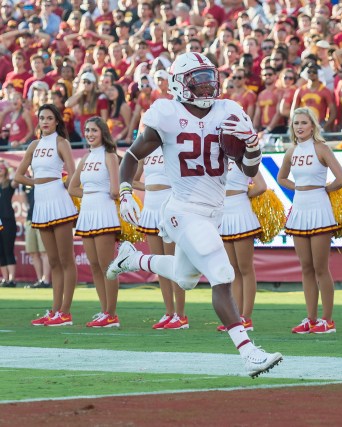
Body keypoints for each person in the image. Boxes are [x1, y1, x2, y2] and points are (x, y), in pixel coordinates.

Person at [104, 52, 282, 377]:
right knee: (222, 273)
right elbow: (131, 155)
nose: (205, 88)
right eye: (197, 82)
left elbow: (247, 169)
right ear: (178, 84)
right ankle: (249, 352)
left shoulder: (229, 110)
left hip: (215, 209)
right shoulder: (166, 113)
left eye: (208, 80)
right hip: (183, 210)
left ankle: (132, 260)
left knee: (186, 278)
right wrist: (127, 191)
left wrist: (253, 149)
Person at [277, 107, 342, 334]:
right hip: (299, 209)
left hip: (319, 208)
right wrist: (297, 188)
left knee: (320, 267)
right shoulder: (291, 151)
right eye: (296, 123)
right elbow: (281, 177)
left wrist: (324, 190)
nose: (299, 127)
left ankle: (327, 320)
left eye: (304, 123)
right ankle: (310, 318)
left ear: (312, 126)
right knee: (306, 267)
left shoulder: (322, 148)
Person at [14, 104, 79, 326]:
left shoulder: (61, 143)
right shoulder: (34, 145)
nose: (45, 121)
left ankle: (65, 312)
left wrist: (59, 184)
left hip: (58, 200)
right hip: (41, 202)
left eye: (49, 118)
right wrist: (37, 182)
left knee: (65, 259)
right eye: (41, 118)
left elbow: (72, 172)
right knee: (52, 261)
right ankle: (54, 311)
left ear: (57, 121)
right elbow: (18, 175)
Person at [68, 117, 121, 328]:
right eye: (87, 130)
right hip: (88, 213)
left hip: (104, 212)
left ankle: (112, 314)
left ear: (103, 133)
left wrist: (99, 193)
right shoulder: (85, 158)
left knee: (107, 266)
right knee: (95, 266)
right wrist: (89, 194)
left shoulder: (110, 156)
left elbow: (116, 190)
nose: (89, 134)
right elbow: (72, 188)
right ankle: (104, 311)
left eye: (94, 131)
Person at [133, 145, 188, 330]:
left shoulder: (174, 146)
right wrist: (149, 187)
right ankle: (169, 312)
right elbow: (133, 180)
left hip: (169, 206)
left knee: (173, 262)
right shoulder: (145, 150)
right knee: (159, 264)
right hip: (150, 207)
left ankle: (181, 315)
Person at [217, 160, 267, 332]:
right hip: (224, 214)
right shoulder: (219, 158)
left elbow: (261, 186)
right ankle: (236, 316)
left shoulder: (245, 158)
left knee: (245, 268)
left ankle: (247, 316)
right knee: (233, 269)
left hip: (241, 213)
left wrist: (243, 195)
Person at [24, 184, 51, 289]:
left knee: (44, 251)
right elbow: (26, 201)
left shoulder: (42, 180)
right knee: (33, 252)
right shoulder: (26, 184)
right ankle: (40, 280)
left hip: (42, 218)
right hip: (30, 219)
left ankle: (46, 280)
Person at [0, 160, 18, 288]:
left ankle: (12, 279)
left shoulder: (9, 185)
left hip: (7, 220)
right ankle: (5, 279)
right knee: (0, 251)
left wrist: (7, 165)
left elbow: (16, 179)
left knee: (8, 249)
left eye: (1, 168)